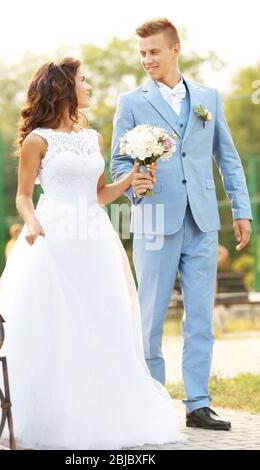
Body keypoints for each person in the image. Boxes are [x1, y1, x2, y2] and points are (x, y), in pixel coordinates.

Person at [0, 57, 184, 450]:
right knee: (55, 325)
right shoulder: (37, 140)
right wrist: (31, 222)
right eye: (84, 80)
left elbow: (99, 195)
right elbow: (22, 195)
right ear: (64, 86)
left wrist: (132, 177)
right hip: (53, 236)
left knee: (102, 320)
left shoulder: (93, 138)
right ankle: (48, 414)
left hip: (95, 239)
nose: (89, 86)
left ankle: (102, 410)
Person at [111, 17, 252, 431]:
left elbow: (228, 158)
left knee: (200, 317)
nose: (147, 60)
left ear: (175, 49)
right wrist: (135, 184)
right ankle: (152, 403)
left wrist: (241, 210)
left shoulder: (209, 97)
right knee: (151, 316)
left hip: (204, 220)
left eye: (154, 51)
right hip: (154, 216)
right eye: (142, 54)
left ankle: (198, 404)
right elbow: (118, 163)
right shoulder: (131, 102)